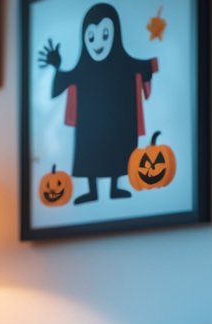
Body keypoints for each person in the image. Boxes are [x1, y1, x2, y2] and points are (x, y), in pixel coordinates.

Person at [39, 3, 158, 204]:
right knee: (90, 152)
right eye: (91, 37)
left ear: (115, 34)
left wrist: (151, 66)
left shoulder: (125, 64)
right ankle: (92, 191)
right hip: (89, 127)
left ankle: (114, 188)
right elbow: (60, 85)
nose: (98, 43)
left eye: (105, 34)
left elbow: (147, 66)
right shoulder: (82, 70)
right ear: (84, 38)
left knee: (119, 151)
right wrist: (56, 66)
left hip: (120, 123)